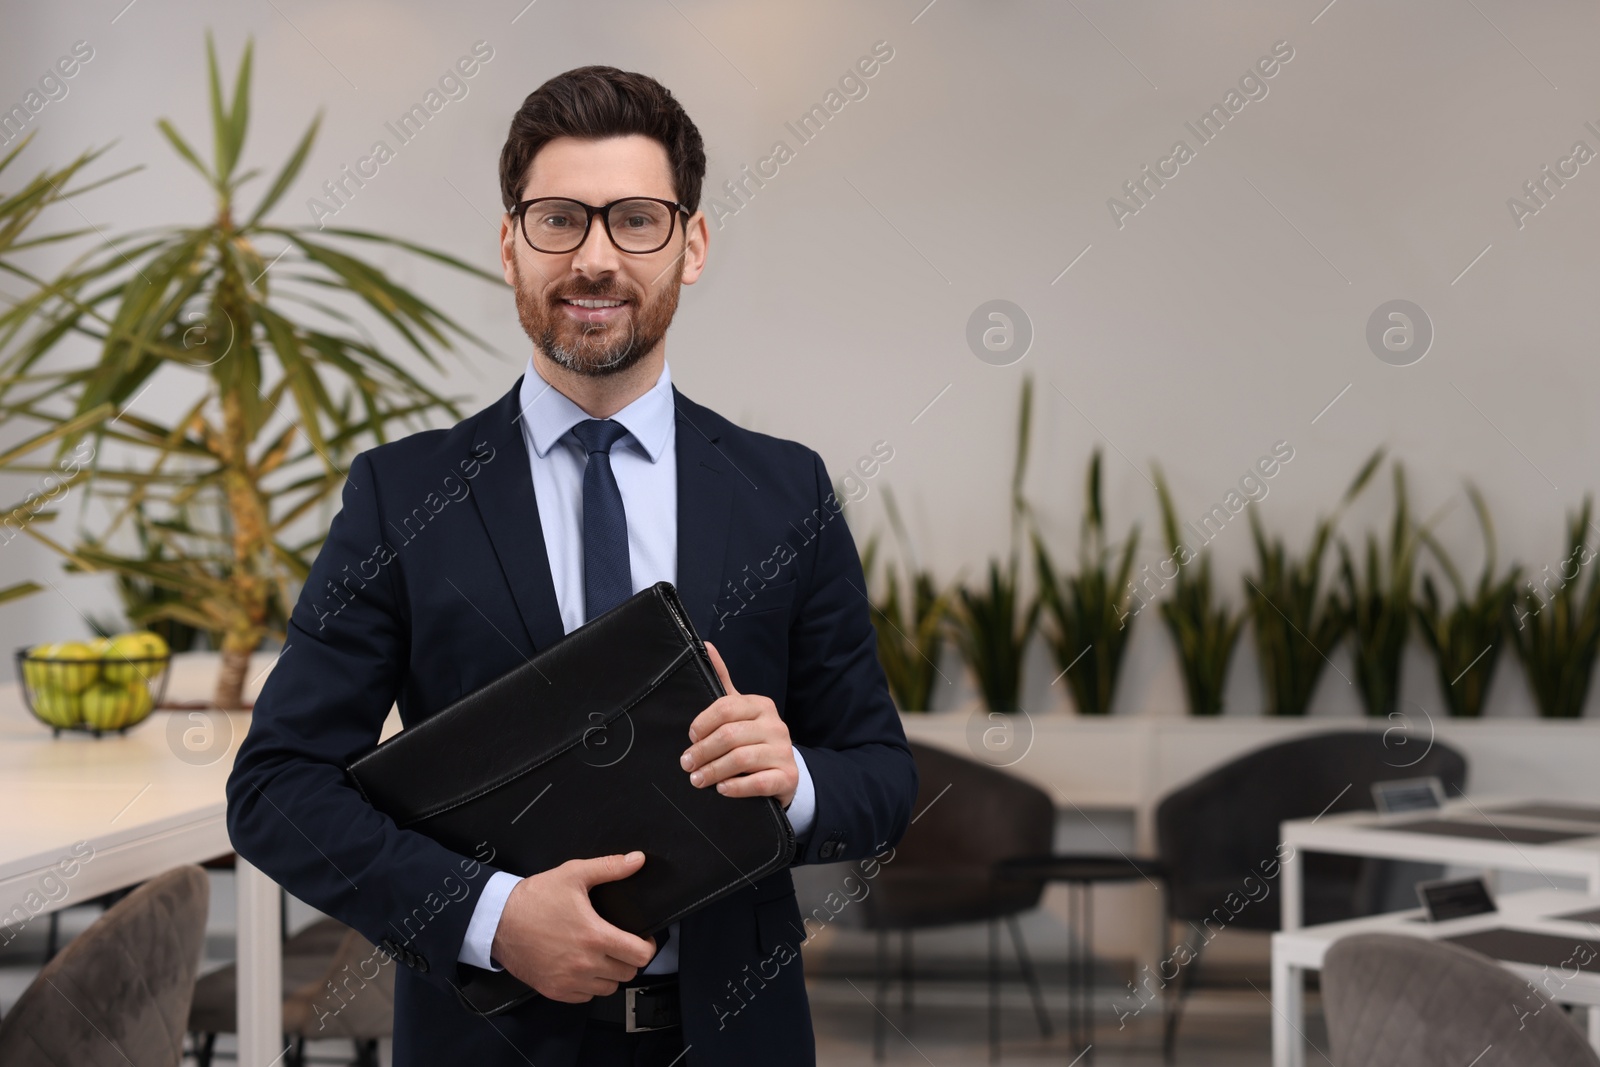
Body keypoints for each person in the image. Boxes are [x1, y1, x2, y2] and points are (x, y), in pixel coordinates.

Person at [226, 65, 918, 1067]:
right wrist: (489, 914)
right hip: (485, 1041)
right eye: (559, 220)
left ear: (693, 242)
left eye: (635, 219)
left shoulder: (786, 491)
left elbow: (884, 777)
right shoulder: (402, 493)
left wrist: (795, 777)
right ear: (509, 245)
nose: (595, 257)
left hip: (737, 1037)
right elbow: (277, 786)